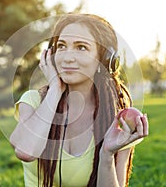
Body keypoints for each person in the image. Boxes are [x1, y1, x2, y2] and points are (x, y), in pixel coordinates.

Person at [10, 13, 149, 187]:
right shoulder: (33, 101)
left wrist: (106, 155)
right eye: (61, 46)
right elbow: (26, 151)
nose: (68, 57)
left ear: (105, 60)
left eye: (81, 47)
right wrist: (55, 89)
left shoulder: (117, 116)